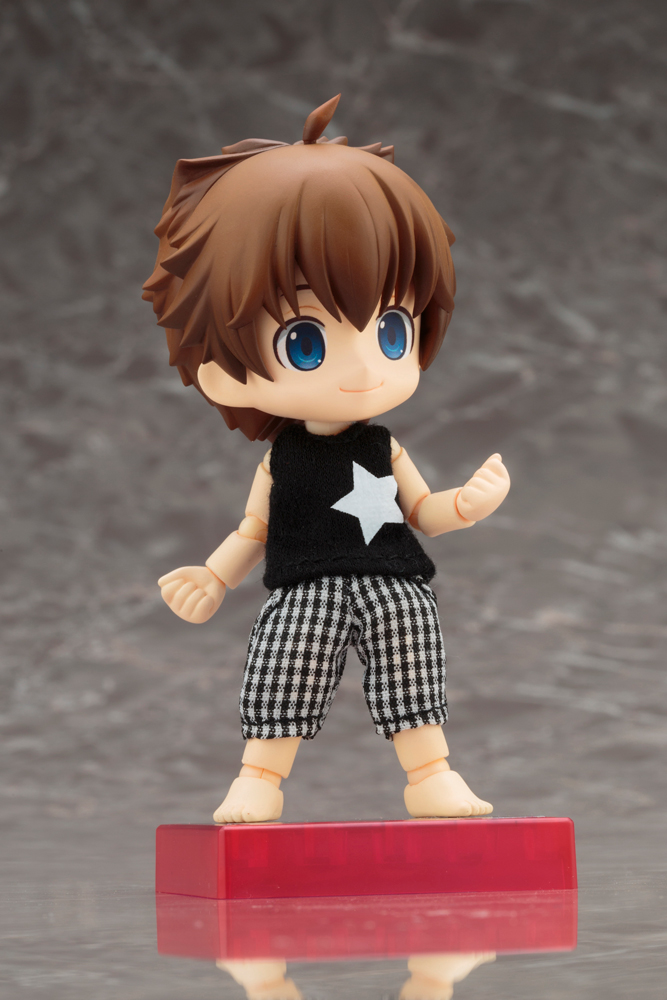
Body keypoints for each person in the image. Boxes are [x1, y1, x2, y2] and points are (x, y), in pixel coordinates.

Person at [143, 95, 510, 824]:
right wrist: (213, 576)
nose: (365, 369)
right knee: (283, 671)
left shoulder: (383, 446)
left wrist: (464, 506)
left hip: (392, 580)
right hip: (304, 585)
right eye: (305, 341)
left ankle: (431, 775)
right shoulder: (281, 461)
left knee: (412, 665)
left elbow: (422, 510)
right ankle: (257, 778)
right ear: (221, 369)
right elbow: (252, 530)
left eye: (392, 329)